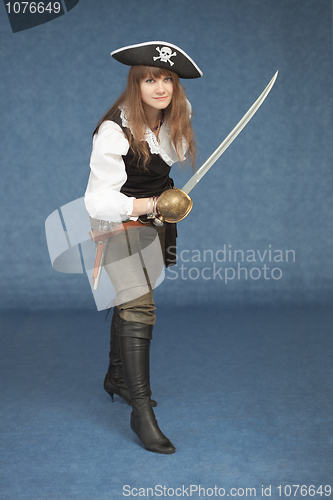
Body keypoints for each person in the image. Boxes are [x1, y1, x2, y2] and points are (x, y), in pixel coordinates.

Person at [84, 41, 202, 454]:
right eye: (150, 79)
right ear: (136, 83)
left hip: (154, 227)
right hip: (116, 224)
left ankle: (117, 376)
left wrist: (165, 204)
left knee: (132, 298)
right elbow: (97, 201)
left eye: (167, 78)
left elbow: (169, 165)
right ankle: (141, 413)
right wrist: (152, 203)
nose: (160, 86)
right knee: (138, 306)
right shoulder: (113, 131)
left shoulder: (175, 121)